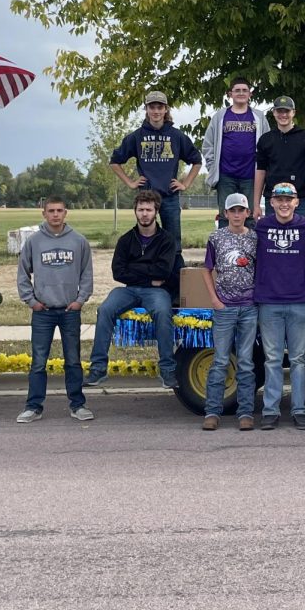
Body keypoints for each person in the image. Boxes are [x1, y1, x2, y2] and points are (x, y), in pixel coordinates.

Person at [85, 189, 178, 389]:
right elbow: (118, 273)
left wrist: (136, 270)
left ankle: (168, 370)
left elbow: (163, 271)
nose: (145, 214)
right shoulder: (126, 240)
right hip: (128, 290)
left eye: (149, 210)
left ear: (156, 212)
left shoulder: (166, 240)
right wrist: (149, 276)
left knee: (163, 312)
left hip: (156, 292)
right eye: (141, 209)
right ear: (135, 211)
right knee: (105, 310)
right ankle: (98, 368)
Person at [14, 197, 94, 424]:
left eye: (59, 211)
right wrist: (31, 301)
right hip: (43, 311)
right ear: (44, 214)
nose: (55, 215)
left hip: (69, 310)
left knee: (73, 360)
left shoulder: (78, 241)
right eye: (51, 211)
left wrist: (80, 300)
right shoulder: (34, 242)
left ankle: (78, 405)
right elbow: (22, 274)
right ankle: (33, 406)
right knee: (39, 361)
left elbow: (86, 273)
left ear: (66, 213)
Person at [253, 182, 305, 430]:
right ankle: (271, 410)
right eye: (279, 199)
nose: (284, 203)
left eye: (289, 199)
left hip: (299, 300)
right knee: (272, 359)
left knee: (299, 359)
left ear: (297, 202)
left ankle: (300, 409)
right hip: (269, 301)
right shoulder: (261, 226)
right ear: (272, 202)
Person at [109, 90, 202, 242]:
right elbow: (114, 161)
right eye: (152, 107)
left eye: (160, 107)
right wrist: (130, 182)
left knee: (173, 241)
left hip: (169, 196)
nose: (156, 111)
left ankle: (173, 266)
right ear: (146, 109)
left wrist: (185, 184)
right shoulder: (137, 136)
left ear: (166, 109)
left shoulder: (176, 136)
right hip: (146, 197)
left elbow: (197, 161)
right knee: (146, 239)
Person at [201, 194, 258, 431]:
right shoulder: (216, 237)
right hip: (224, 306)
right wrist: (215, 299)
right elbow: (207, 269)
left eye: (241, 210)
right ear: (225, 214)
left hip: (249, 307)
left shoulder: (255, 238)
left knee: (246, 361)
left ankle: (245, 412)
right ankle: (212, 411)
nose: (236, 215)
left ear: (247, 213)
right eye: (232, 210)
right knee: (221, 360)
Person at [202, 77, 270, 228]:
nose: (241, 93)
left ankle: (251, 250)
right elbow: (208, 145)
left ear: (250, 94)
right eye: (237, 90)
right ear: (230, 94)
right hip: (226, 175)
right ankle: (225, 250)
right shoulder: (220, 116)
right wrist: (213, 166)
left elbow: (267, 145)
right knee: (226, 215)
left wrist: (263, 170)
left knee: (251, 216)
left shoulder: (258, 117)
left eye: (244, 90)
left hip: (251, 176)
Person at [253, 95, 305, 218]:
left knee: (299, 236)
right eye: (279, 111)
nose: (283, 115)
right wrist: (256, 204)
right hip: (273, 200)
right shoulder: (265, 139)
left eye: (287, 111)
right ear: (274, 113)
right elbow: (260, 171)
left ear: (293, 113)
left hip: (299, 200)